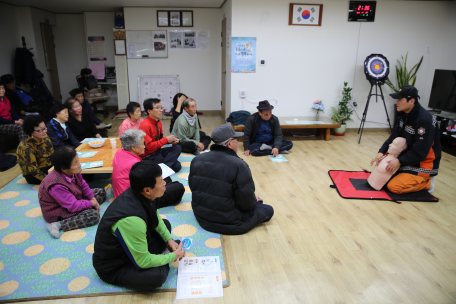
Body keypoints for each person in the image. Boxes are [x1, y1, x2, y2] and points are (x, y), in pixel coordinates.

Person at [93, 161, 186, 290]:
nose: (165, 183)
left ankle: (159, 253)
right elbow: (142, 262)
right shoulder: (132, 220)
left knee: (165, 225)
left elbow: (155, 217)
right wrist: (172, 257)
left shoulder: (142, 193)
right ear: (147, 190)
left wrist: (169, 240)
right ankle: (159, 257)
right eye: (161, 182)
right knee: (157, 277)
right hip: (115, 265)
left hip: (129, 247)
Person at [189, 123, 274, 235]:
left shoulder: (197, 159)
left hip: (202, 216)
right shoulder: (239, 165)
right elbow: (246, 203)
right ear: (229, 143)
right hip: (229, 222)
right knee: (267, 209)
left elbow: (193, 186)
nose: (238, 143)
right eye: (236, 139)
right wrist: (254, 200)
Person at [370, 85, 441, 194]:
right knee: (383, 177)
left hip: (424, 164)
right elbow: (394, 136)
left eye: (400, 100)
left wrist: (399, 161)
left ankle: (426, 183)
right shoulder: (404, 114)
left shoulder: (424, 121)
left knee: (394, 187)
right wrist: (381, 152)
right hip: (409, 159)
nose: (396, 102)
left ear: (411, 101)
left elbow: (421, 152)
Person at [38, 146, 106, 238]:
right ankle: (57, 224)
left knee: (101, 192)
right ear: (64, 168)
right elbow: (73, 206)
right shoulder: (55, 185)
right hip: (58, 210)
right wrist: (91, 203)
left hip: (72, 199)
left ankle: (84, 208)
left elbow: (83, 184)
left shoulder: (73, 171)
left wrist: (93, 199)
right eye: (75, 163)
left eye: (78, 161)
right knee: (93, 216)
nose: (79, 164)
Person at [112, 129, 185, 207]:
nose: (144, 146)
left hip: (122, 195)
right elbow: (148, 190)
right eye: (143, 144)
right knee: (178, 187)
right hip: (135, 202)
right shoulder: (136, 165)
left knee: (165, 179)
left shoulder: (119, 153)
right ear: (133, 147)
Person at [139, 98, 182, 172]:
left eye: (161, 108)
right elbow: (148, 147)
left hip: (158, 151)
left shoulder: (158, 122)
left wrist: (170, 141)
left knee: (177, 148)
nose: (161, 110)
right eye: (157, 108)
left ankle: (161, 169)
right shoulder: (145, 125)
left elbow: (159, 140)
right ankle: (162, 169)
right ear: (149, 111)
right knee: (176, 166)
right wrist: (166, 140)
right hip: (149, 156)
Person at [16, 115, 54, 184]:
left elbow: (52, 154)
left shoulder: (45, 137)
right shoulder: (26, 147)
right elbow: (33, 170)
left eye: (45, 128)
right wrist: (48, 180)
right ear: (31, 132)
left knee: (69, 170)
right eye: (40, 130)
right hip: (33, 174)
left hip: (48, 166)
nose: (44, 131)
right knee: (60, 179)